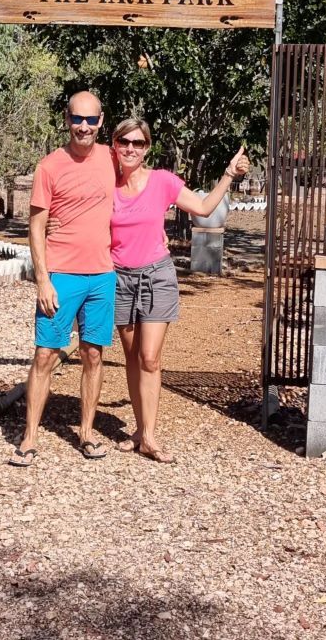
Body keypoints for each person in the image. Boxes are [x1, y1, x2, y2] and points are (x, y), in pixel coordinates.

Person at [49, 118, 249, 463]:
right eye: (124, 142)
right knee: (130, 357)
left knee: (150, 358)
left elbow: (202, 209)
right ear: (114, 144)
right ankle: (140, 430)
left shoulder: (162, 181)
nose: (130, 148)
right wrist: (53, 221)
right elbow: (76, 212)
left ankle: (150, 438)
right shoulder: (105, 183)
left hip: (156, 276)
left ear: (147, 148)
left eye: (138, 143)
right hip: (119, 277)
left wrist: (229, 175)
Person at [8, 91, 117, 467]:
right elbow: (35, 228)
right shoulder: (50, 166)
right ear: (66, 119)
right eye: (77, 119)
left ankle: (86, 433)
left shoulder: (112, 157)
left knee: (93, 354)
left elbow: (141, 189)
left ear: (101, 121)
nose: (83, 127)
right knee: (44, 355)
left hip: (102, 275)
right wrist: (43, 280)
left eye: (90, 120)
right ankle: (29, 437)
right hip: (61, 275)